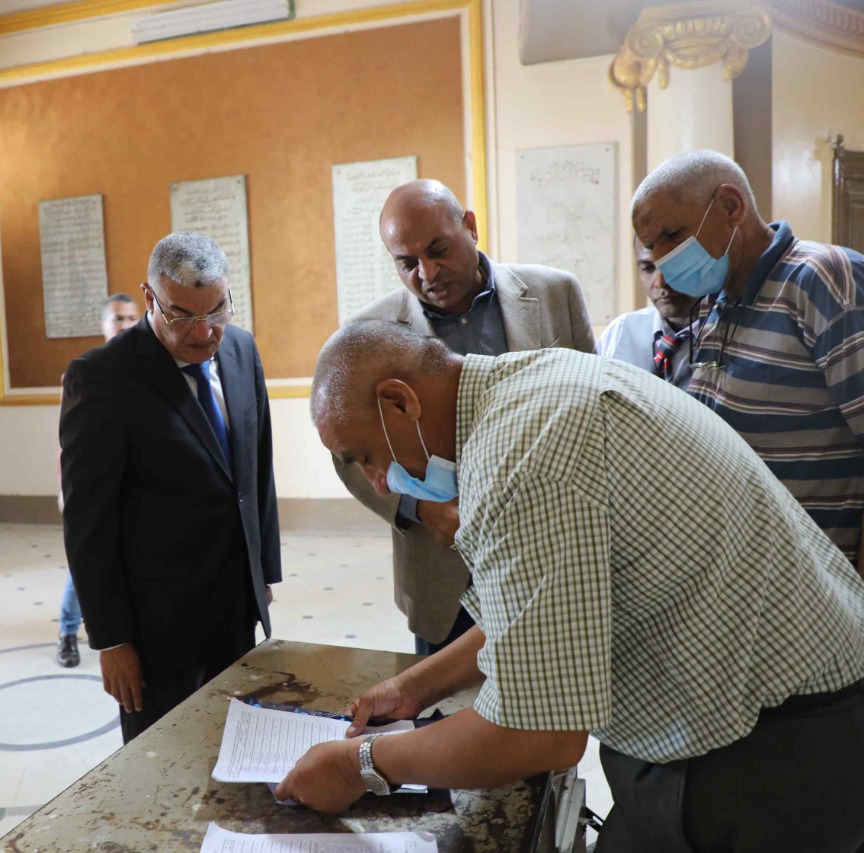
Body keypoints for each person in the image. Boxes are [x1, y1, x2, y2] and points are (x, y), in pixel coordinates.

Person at [276, 320, 864, 851]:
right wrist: (414, 686)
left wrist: (360, 764)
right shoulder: (529, 387)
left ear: (399, 402)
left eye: (366, 457)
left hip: (773, 748)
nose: (380, 484)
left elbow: (538, 734)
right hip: (759, 708)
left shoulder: (520, 453)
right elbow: (543, 615)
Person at [335, 179, 595, 656]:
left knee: (555, 686)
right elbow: (350, 454)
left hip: (554, 550)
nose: (427, 273)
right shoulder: (368, 332)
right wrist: (417, 508)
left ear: (470, 227)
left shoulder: (555, 292)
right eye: (407, 263)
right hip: (444, 572)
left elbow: (593, 408)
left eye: (438, 250)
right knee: (445, 694)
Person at [60, 232, 280, 742]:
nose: (204, 332)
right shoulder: (102, 377)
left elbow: (256, 470)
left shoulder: (240, 349)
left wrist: (262, 573)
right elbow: (89, 523)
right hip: (154, 627)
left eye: (217, 310)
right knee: (161, 758)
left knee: (238, 743)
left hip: (236, 605)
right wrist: (111, 641)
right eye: (182, 316)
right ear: (149, 297)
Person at [633, 149, 864, 573]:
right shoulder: (711, 303)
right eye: (651, 246)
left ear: (730, 207)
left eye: (672, 234)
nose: (663, 262)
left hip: (821, 585)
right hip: (744, 580)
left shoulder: (824, 279)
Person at [56, 293, 140, 668]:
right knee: (87, 560)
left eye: (131, 318)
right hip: (93, 489)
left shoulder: (147, 370)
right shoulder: (86, 370)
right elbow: (68, 444)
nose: (125, 325)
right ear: (104, 325)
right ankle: (67, 632)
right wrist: (65, 490)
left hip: (131, 490)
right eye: (118, 318)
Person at [595, 241, 698, 388]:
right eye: (648, 269)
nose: (660, 282)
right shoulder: (621, 331)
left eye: (674, 265)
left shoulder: (725, 336)